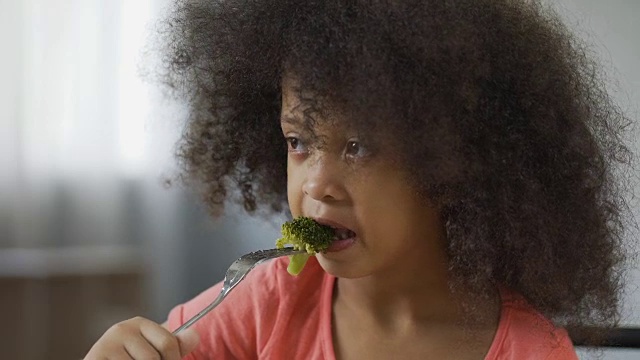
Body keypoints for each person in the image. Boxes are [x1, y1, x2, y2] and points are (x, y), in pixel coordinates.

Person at [85, 0, 634, 358]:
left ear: (449, 165)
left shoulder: (530, 351)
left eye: (359, 147)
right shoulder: (264, 303)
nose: (317, 183)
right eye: (298, 143)